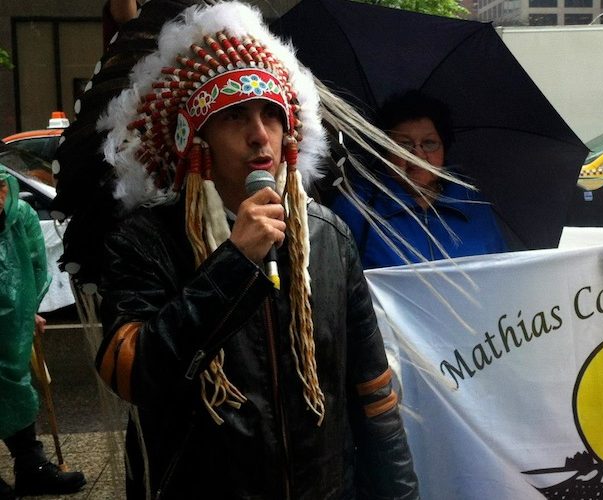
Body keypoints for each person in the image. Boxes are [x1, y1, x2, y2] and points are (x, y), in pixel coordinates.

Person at [92, 3, 418, 498]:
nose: (259, 135)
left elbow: (373, 395)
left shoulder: (328, 236)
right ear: (195, 140)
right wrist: (233, 265)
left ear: (291, 133)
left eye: (271, 114)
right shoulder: (147, 241)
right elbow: (131, 372)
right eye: (234, 116)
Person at [332, 90, 508, 269]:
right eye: (404, 145)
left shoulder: (474, 207)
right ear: (385, 151)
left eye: (429, 143)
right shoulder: (356, 209)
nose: (418, 154)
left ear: (444, 148)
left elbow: (501, 276)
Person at [0, 169, 86, 498]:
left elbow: (33, 266)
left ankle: (30, 467)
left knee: (16, 386)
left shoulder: (19, 217)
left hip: (10, 323)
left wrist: (29, 309)